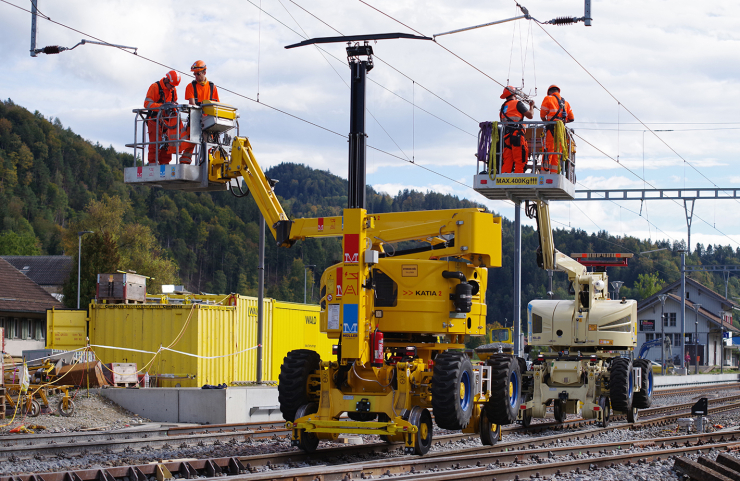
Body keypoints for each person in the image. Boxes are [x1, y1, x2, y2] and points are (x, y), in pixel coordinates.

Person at [144, 70, 181, 164]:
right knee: (154, 145)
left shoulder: (173, 90)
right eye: (172, 85)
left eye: (174, 86)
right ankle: (153, 166)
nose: (173, 88)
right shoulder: (155, 87)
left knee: (167, 145)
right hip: (154, 120)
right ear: (166, 80)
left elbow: (175, 102)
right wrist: (161, 107)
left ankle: (165, 166)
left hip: (167, 122)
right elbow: (147, 104)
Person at [539, 84, 574, 174]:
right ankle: (555, 174)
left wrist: (547, 122)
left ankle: (545, 174)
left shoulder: (548, 98)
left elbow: (542, 116)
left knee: (548, 151)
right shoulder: (566, 103)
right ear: (558, 91)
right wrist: (562, 122)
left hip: (551, 129)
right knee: (557, 153)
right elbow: (571, 118)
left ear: (550, 92)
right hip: (561, 132)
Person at [499, 86, 534, 174]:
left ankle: (504, 179)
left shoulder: (503, 107)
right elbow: (530, 115)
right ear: (514, 94)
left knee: (507, 160)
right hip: (517, 135)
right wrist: (531, 107)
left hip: (506, 137)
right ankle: (518, 181)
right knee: (520, 159)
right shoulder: (517, 103)